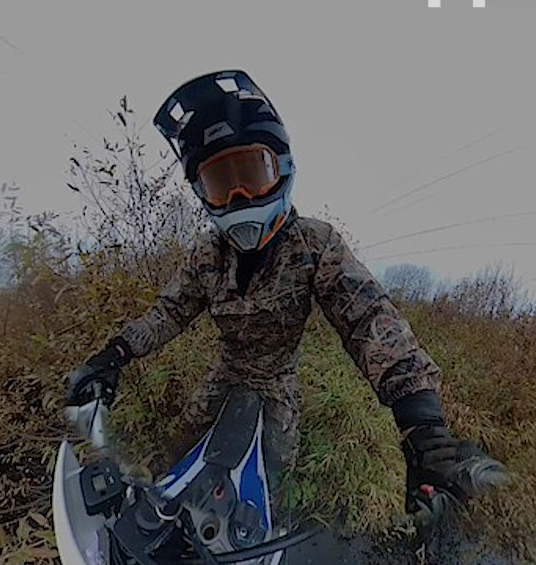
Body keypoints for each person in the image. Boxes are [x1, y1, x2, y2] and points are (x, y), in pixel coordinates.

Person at [65, 69, 508, 528]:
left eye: (251, 174)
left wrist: (421, 423)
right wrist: (114, 355)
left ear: (283, 169)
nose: (239, 196)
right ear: (202, 194)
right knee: (177, 459)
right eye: (220, 183)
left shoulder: (314, 243)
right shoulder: (206, 254)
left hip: (277, 387)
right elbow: (168, 313)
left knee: (269, 486)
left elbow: (368, 319)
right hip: (224, 376)